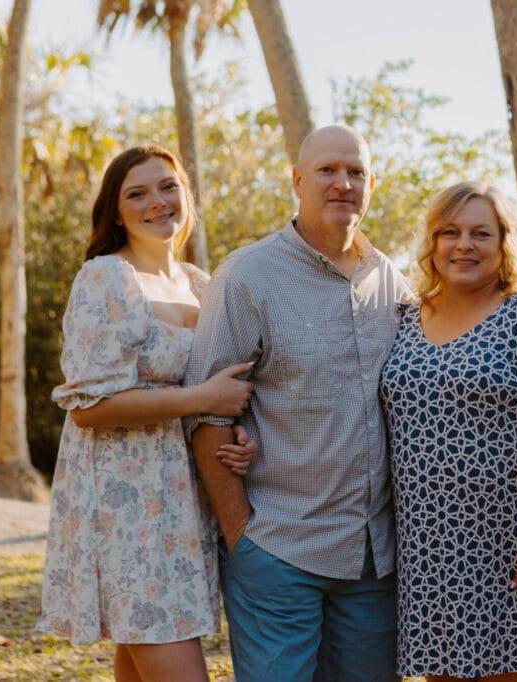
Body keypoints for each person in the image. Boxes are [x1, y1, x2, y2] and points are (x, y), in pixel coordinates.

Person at [184, 125, 410, 682]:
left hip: (373, 561)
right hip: (278, 548)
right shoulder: (248, 275)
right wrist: (243, 535)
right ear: (298, 180)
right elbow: (207, 416)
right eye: (328, 171)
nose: (343, 183)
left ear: (371, 184)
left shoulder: (393, 283)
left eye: (356, 172)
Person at [38, 145, 257, 682]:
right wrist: (200, 399)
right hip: (126, 507)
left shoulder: (201, 283)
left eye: (168, 187)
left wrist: (238, 435)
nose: (157, 202)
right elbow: (88, 406)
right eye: (137, 193)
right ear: (116, 211)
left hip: (185, 503)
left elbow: (222, 387)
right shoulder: (106, 278)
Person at [379, 181, 517, 682]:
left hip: (506, 545)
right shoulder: (404, 319)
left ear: (504, 244)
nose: (463, 245)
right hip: (424, 545)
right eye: (449, 232)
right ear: (432, 243)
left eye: (481, 233)